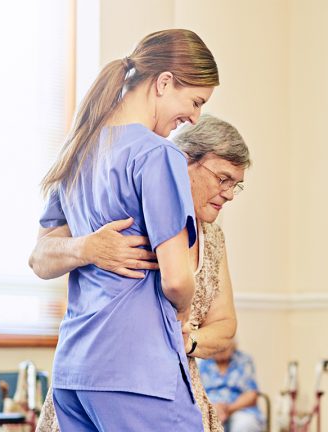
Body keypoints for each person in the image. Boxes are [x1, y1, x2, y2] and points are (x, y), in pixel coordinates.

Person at [31, 29, 219, 431]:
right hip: (137, 373)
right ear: (164, 82)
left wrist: (82, 248)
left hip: (75, 376)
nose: (194, 117)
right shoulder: (158, 154)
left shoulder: (78, 152)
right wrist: (182, 317)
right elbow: (176, 279)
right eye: (195, 101)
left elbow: (40, 257)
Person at [33, 115, 250, 432]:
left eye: (236, 185)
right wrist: (87, 247)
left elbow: (225, 324)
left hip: (175, 387)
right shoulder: (127, 206)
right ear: (183, 162)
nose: (229, 193)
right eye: (223, 179)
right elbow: (39, 257)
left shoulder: (213, 237)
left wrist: (188, 340)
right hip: (112, 383)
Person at [199, 342, 265, 432]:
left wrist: (228, 409)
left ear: (233, 344)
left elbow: (251, 395)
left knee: (244, 424)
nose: (222, 348)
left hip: (240, 409)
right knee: (201, 424)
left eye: (225, 341)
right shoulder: (203, 364)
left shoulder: (244, 360)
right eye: (218, 343)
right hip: (211, 411)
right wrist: (213, 409)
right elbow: (198, 394)